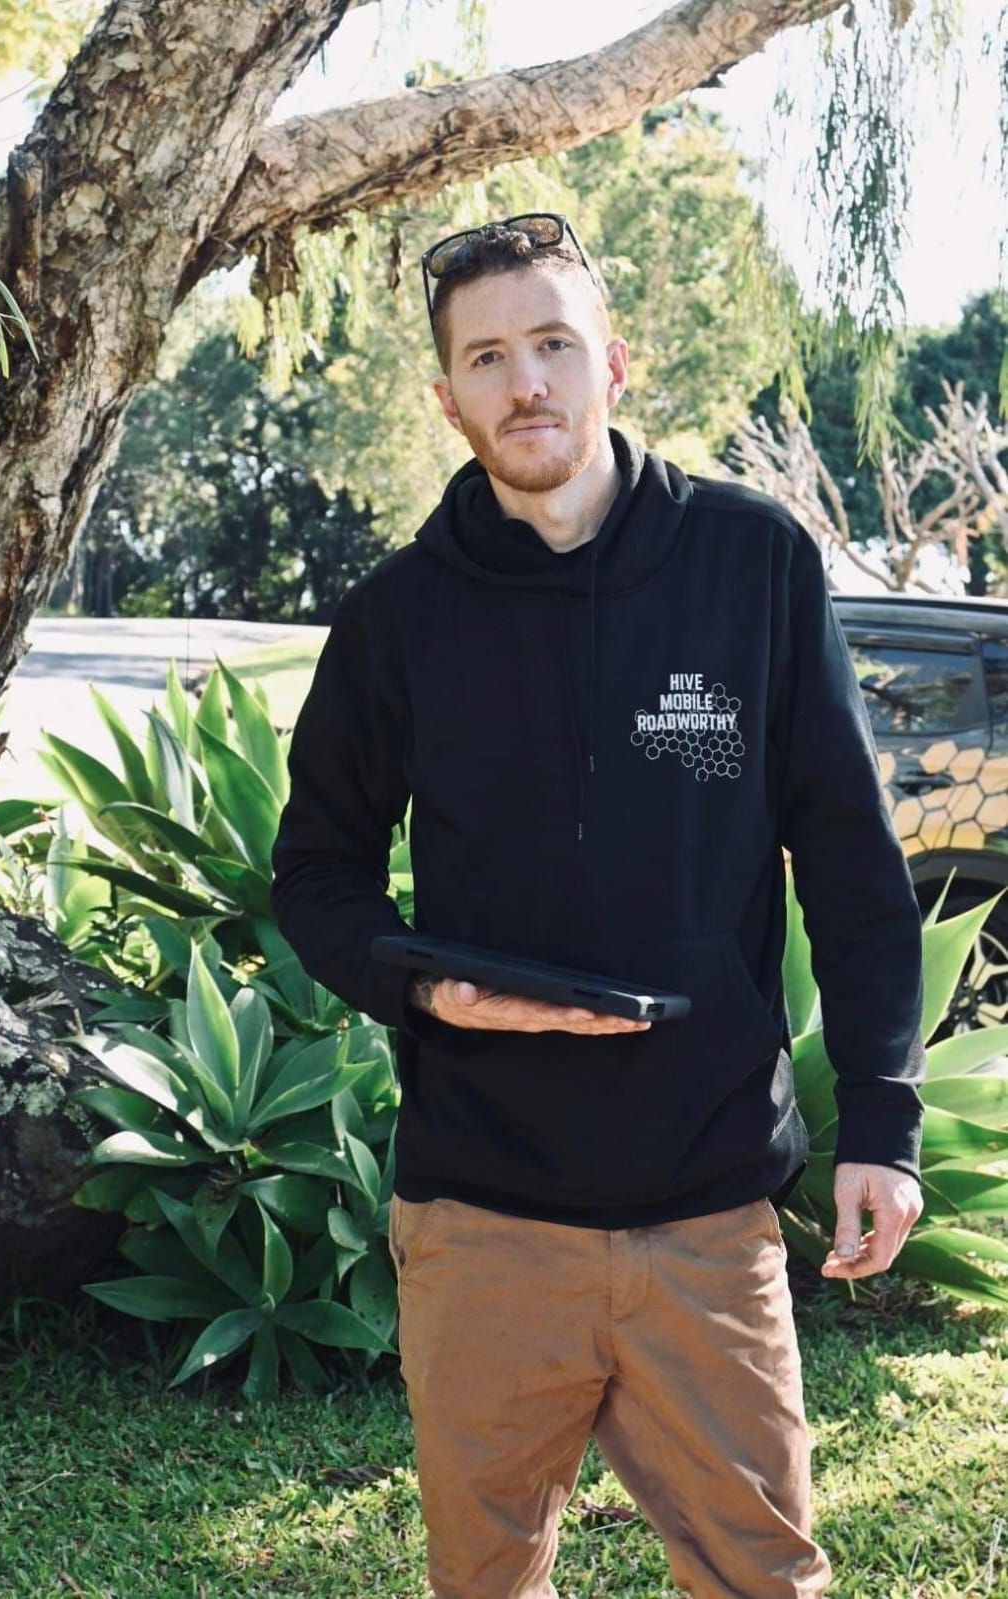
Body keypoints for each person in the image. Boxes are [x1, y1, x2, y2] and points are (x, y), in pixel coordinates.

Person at [269, 212, 926, 1599]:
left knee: (763, 1579)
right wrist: (416, 982)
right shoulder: (395, 621)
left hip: (704, 1210)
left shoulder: (749, 562)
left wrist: (881, 1121)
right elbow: (315, 874)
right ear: (445, 397)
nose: (527, 386)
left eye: (553, 346)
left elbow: (853, 862)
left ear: (611, 361)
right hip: (479, 1217)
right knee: (486, 1584)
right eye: (488, 358)